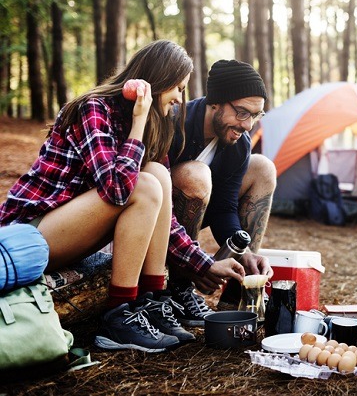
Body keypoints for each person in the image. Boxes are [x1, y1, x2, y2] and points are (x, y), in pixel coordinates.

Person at [0, 40, 243, 352]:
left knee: (157, 174)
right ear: (160, 81)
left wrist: (203, 264)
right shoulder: (94, 109)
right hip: (31, 233)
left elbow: (163, 216)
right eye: (178, 88)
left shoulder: (154, 122)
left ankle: (150, 302)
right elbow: (117, 190)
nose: (180, 99)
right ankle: (119, 317)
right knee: (143, 184)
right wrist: (138, 122)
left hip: (70, 231)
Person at [166, 59, 276, 323]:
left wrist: (244, 252)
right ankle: (177, 289)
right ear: (215, 102)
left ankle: (240, 289)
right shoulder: (174, 124)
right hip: (155, 221)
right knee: (196, 174)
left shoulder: (238, 143)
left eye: (256, 115)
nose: (248, 125)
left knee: (263, 168)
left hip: (195, 213)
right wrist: (197, 263)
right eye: (242, 112)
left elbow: (226, 207)